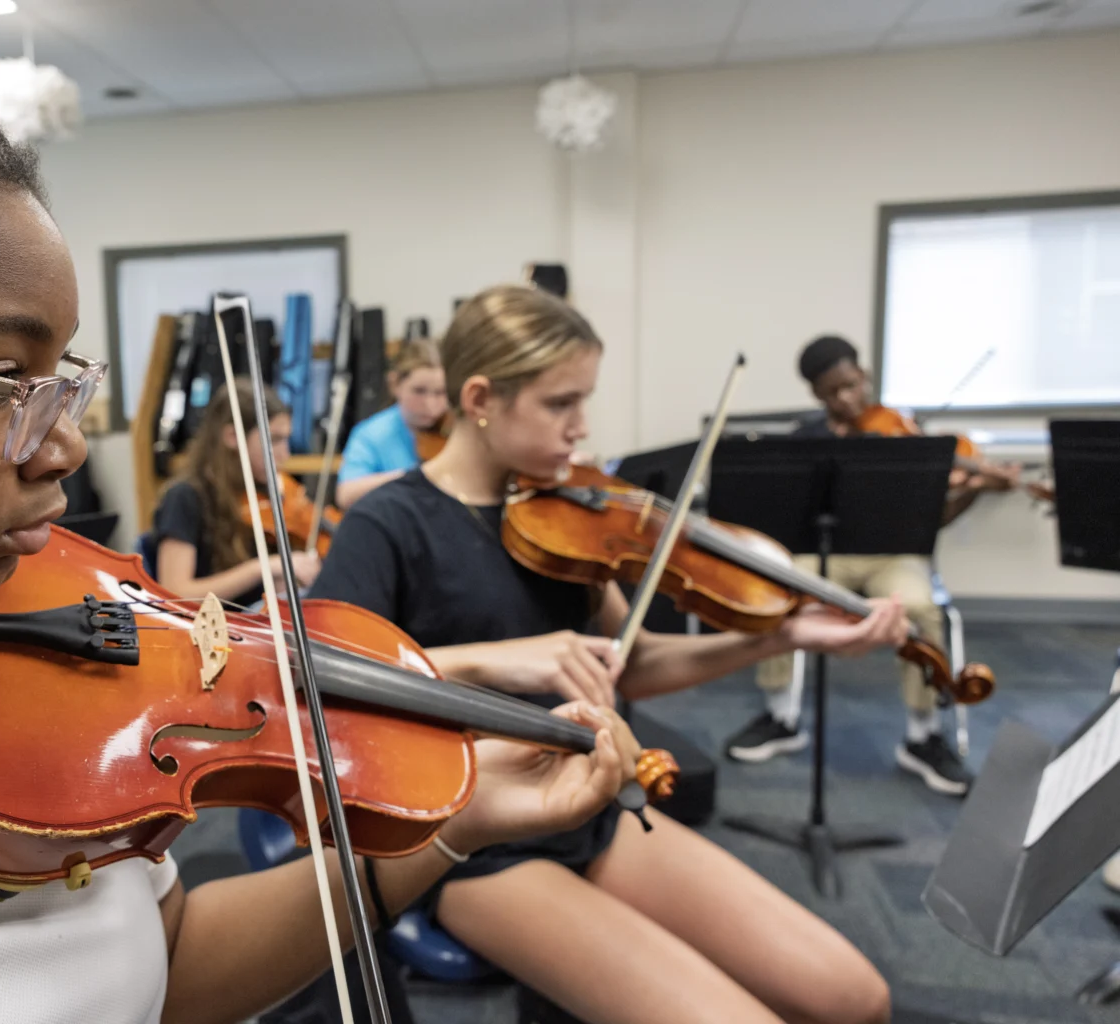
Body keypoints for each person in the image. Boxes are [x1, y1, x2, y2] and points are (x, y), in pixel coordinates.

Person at [0, 22, 642, 1023]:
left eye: (64, 379)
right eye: (1, 380)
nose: (65, 446)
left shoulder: (34, 639)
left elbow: (161, 959)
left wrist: (446, 826)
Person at [312, 285, 905, 1024]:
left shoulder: (563, 515)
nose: (580, 428)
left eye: (583, 401)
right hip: (472, 843)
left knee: (855, 999)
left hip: (592, 804)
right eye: (560, 403)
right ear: (480, 398)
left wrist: (779, 634)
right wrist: (491, 660)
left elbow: (637, 665)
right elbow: (320, 690)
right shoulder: (387, 524)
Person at [725, 334, 1011, 795]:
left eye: (852, 385)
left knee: (920, 608)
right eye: (832, 392)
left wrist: (977, 486)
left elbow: (935, 517)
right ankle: (781, 716)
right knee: (776, 594)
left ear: (865, 376)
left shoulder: (903, 434)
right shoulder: (806, 440)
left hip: (891, 555)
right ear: (816, 395)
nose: (846, 398)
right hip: (825, 555)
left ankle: (923, 736)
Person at [152, 378, 319, 605]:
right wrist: (263, 567)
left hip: (259, 626)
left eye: (285, 440)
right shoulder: (185, 497)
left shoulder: (267, 494)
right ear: (232, 437)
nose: (285, 454)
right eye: (274, 440)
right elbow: (176, 592)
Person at [334, 339, 446, 508]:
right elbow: (346, 495)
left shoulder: (455, 427)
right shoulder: (371, 434)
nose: (430, 404)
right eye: (419, 391)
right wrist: (415, 476)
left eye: (440, 392)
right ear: (395, 384)